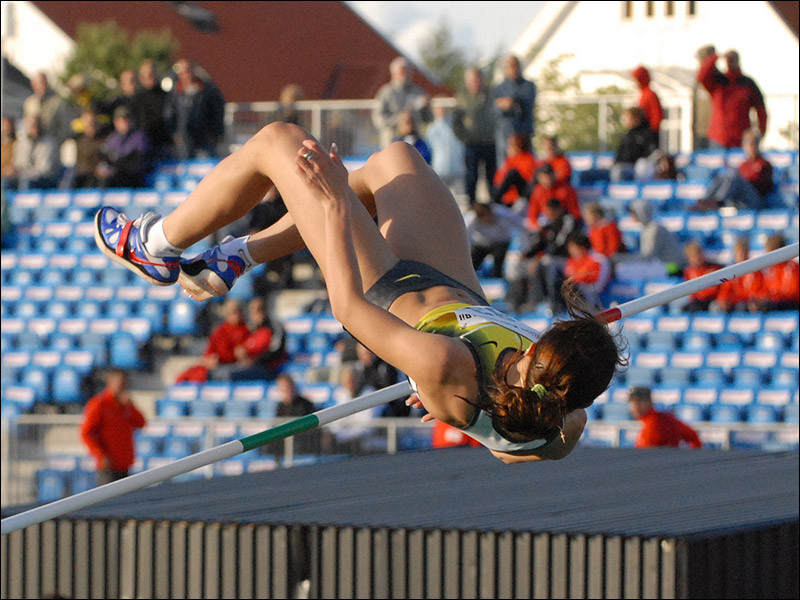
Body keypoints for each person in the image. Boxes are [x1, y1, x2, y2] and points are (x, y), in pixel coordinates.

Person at [94, 120, 626, 463]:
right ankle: (237, 257)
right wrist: (466, 416)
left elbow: (346, 310)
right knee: (394, 161)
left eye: (546, 339)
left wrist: (333, 209)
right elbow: (528, 446)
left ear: (539, 354)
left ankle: (154, 245)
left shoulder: (447, 365)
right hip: (454, 286)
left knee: (281, 144)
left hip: (382, 290)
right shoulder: (558, 421)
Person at [80, 369, 147, 485]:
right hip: (108, 465)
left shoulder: (125, 405)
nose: (122, 387)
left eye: (124, 383)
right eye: (120, 383)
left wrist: (129, 406)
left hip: (125, 463)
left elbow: (141, 423)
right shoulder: (99, 404)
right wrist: (100, 455)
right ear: (110, 382)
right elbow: (86, 433)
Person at [696, 47, 767, 149]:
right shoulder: (718, 81)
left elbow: (761, 110)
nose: (731, 61)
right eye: (729, 59)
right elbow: (702, 76)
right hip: (718, 139)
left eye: (734, 58)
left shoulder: (747, 83)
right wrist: (716, 56)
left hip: (741, 139)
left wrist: (761, 132)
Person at [452, 67, 497, 206]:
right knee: (471, 175)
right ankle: (471, 203)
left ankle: (493, 203)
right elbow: (456, 122)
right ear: (467, 81)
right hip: (472, 143)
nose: (477, 82)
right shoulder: (462, 98)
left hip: (490, 141)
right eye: (473, 80)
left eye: (479, 79)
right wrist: (464, 137)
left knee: (492, 176)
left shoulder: (491, 94)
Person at [697, 129, 773, 210]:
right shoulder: (743, 165)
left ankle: (718, 202)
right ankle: (706, 200)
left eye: (753, 142)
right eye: (747, 142)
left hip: (755, 199)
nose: (750, 145)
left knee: (733, 176)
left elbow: (766, 187)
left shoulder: (764, 163)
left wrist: (747, 181)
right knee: (723, 175)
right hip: (739, 199)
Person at [166, 59, 226, 158]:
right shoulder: (176, 93)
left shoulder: (207, 91)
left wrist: (216, 133)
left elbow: (217, 111)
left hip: (205, 140)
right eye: (183, 72)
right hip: (184, 141)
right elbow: (169, 114)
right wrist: (175, 133)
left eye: (188, 71)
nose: (187, 75)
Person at [372, 56, 433, 149]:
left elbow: (428, 119)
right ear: (394, 73)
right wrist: (399, 119)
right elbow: (378, 119)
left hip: (415, 141)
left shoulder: (418, 91)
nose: (405, 74)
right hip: (392, 140)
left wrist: (427, 108)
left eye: (408, 71)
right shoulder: (386, 93)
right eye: (402, 71)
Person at [465, 201, 528, 279]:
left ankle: (496, 279)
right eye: (485, 217)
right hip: (481, 243)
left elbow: (520, 224)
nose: (489, 218)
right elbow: (465, 236)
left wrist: (527, 245)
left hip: (501, 242)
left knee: (498, 264)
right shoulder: (471, 219)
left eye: (489, 215)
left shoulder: (503, 213)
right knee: (471, 264)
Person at [493, 55, 536, 166]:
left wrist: (509, 102)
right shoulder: (498, 88)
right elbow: (494, 110)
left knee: (526, 168)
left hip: (523, 136)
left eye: (515, 65)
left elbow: (525, 105)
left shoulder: (529, 86)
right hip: (505, 135)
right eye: (510, 66)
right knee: (504, 169)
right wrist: (504, 104)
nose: (513, 68)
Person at [628, 386, 702, 449]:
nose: (635, 406)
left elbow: (692, 436)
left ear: (649, 402)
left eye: (639, 402)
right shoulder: (649, 420)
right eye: (632, 402)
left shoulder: (659, 421)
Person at [96, 105, 151, 188]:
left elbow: (137, 162)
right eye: (120, 121)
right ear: (115, 123)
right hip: (115, 174)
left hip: (132, 177)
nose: (124, 123)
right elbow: (105, 157)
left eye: (126, 120)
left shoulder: (139, 137)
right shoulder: (112, 138)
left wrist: (116, 168)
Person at [626, 200, 685, 271]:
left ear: (641, 213)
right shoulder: (646, 228)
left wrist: (622, 259)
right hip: (662, 264)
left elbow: (647, 257)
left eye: (633, 213)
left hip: (673, 267)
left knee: (625, 270)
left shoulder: (655, 229)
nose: (630, 215)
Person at [133, 59, 173, 160]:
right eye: (144, 75)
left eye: (151, 74)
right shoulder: (136, 98)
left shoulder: (167, 96)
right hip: (144, 147)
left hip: (164, 145)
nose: (148, 78)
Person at [9, 115, 59, 190]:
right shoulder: (21, 143)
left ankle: (25, 201)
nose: (34, 128)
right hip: (23, 176)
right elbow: (18, 163)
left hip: (45, 179)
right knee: (5, 181)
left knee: (26, 181)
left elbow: (44, 170)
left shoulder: (49, 143)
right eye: (31, 125)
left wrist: (24, 172)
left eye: (36, 125)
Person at [715, 238, 764, 313]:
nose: (741, 254)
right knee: (715, 307)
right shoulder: (730, 272)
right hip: (734, 302)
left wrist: (755, 301)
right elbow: (725, 290)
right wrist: (723, 300)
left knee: (743, 307)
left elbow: (758, 290)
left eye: (743, 251)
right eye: (739, 252)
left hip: (748, 302)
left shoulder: (755, 271)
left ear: (747, 253)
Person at [526, 164, 582, 229]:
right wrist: (535, 223)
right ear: (539, 178)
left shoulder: (565, 188)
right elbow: (533, 211)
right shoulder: (537, 190)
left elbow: (574, 211)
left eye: (549, 176)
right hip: (546, 220)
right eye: (544, 177)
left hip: (562, 219)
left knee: (569, 221)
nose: (547, 180)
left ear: (554, 175)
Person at [611, 107, 659, 182]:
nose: (625, 121)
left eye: (627, 118)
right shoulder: (627, 135)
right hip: (621, 165)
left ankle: (619, 192)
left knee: (618, 171)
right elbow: (619, 155)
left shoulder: (648, 134)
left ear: (636, 119)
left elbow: (651, 155)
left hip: (637, 169)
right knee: (590, 173)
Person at [425, 101, 465, 190]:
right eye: (439, 108)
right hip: (439, 170)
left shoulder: (457, 126)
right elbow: (429, 149)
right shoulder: (432, 129)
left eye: (444, 108)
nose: (442, 111)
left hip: (457, 169)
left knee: (461, 199)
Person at [754, 234, 799, 312]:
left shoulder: (791, 267)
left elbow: (793, 291)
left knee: (769, 305)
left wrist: (774, 295)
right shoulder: (769, 269)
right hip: (774, 301)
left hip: (790, 302)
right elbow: (763, 289)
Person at [491, 133, 538, 206]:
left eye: (511, 145)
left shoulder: (528, 159)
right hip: (508, 197)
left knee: (513, 174)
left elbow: (528, 180)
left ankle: (494, 200)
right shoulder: (509, 160)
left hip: (522, 195)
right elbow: (498, 180)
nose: (508, 148)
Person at [682, 241, 723, 313]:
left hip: (713, 300)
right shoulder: (688, 271)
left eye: (699, 254)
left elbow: (715, 289)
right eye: (694, 256)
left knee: (715, 307)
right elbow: (690, 291)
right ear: (689, 258)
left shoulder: (714, 268)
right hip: (697, 301)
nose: (698, 257)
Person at [631, 66, 663, 133]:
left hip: (648, 132)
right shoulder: (644, 94)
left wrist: (651, 131)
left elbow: (657, 116)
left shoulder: (649, 94)